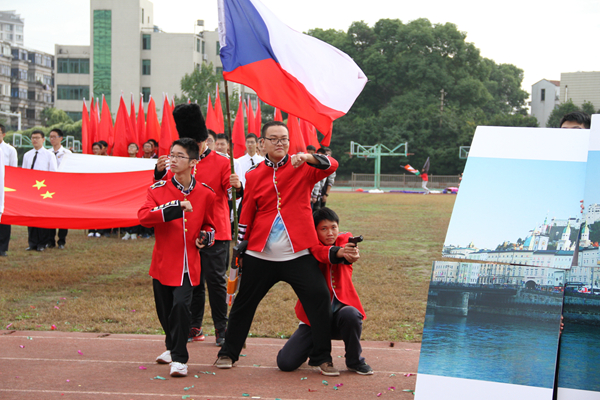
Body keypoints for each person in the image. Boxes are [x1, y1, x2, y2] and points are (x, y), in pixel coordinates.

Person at [215, 121, 340, 376]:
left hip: (298, 253)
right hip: (260, 254)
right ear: (263, 143)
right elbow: (247, 210)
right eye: (274, 139)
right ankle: (228, 352)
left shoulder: (304, 166)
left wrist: (305, 156)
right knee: (243, 304)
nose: (280, 143)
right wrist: (240, 245)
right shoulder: (254, 174)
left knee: (319, 299)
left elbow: (332, 165)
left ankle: (322, 357)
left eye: (284, 138)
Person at [155, 103, 242, 346]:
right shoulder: (176, 161)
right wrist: (157, 172)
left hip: (216, 231)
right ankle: (193, 326)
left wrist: (237, 185)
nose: (194, 147)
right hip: (185, 231)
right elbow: (162, 190)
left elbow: (232, 191)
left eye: (198, 142)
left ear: (206, 141)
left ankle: (222, 328)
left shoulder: (222, 162)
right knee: (191, 280)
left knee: (215, 281)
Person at [139, 137, 217, 378]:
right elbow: (144, 217)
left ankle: (180, 358)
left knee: (182, 306)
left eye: (179, 155)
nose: (172, 159)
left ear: (193, 162)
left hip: (189, 264)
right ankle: (172, 346)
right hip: (163, 263)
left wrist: (205, 237)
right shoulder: (157, 190)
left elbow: (211, 227)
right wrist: (176, 207)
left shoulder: (206, 194)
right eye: (171, 154)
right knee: (165, 312)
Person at [277, 207, 372, 375]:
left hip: (340, 318)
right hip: (314, 319)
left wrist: (350, 252)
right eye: (323, 229)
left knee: (351, 314)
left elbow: (346, 246)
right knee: (285, 363)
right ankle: (314, 347)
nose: (330, 233)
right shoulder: (310, 247)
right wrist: (340, 252)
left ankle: (354, 361)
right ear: (314, 231)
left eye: (333, 227)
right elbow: (322, 253)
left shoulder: (343, 239)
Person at [22, 130, 57, 251]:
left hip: (44, 191)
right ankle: (32, 243)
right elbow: (24, 173)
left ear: (43, 139)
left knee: (42, 217)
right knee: (31, 217)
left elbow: (53, 173)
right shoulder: (27, 155)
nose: (34, 140)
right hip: (31, 190)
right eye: (33, 138)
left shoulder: (49, 155)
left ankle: (43, 243)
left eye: (37, 138)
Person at [48, 128, 72, 249]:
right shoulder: (47, 153)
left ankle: (61, 240)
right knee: (50, 214)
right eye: (50, 137)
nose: (52, 139)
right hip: (50, 187)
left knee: (63, 214)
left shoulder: (68, 154)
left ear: (60, 138)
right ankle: (50, 240)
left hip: (63, 187)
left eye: (54, 137)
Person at [0, 124, 17, 256]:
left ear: (3, 134)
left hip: (4, 188)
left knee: (4, 219)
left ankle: (3, 247)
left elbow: (13, 170)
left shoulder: (9, 150)